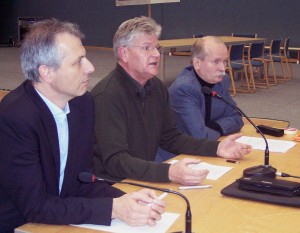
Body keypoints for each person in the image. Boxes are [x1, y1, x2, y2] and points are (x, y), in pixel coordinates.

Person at [0, 19, 166, 233]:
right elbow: (35, 206)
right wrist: (114, 208)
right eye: (78, 62)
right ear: (46, 73)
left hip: (63, 217)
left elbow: (81, 181)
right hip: (20, 225)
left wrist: (127, 200)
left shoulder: (82, 103)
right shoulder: (16, 117)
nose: (90, 67)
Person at [92, 16, 251, 187]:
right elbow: (116, 161)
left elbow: (170, 138)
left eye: (156, 47)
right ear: (124, 53)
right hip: (113, 185)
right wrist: (167, 172)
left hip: (140, 178)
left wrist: (217, 148)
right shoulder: (108, 95)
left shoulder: (157, 88)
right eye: (147, 48)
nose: (156, 54)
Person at [168, 36, 244, 141]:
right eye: (216, 61)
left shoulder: (222, 80)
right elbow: (200, 136)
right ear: (197, 63)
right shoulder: (183, 89)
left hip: (209, 146)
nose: (223, 68)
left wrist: (214, 126)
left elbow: (237, 118)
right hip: (179, 154)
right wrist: (220, 126)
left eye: (225, 61)